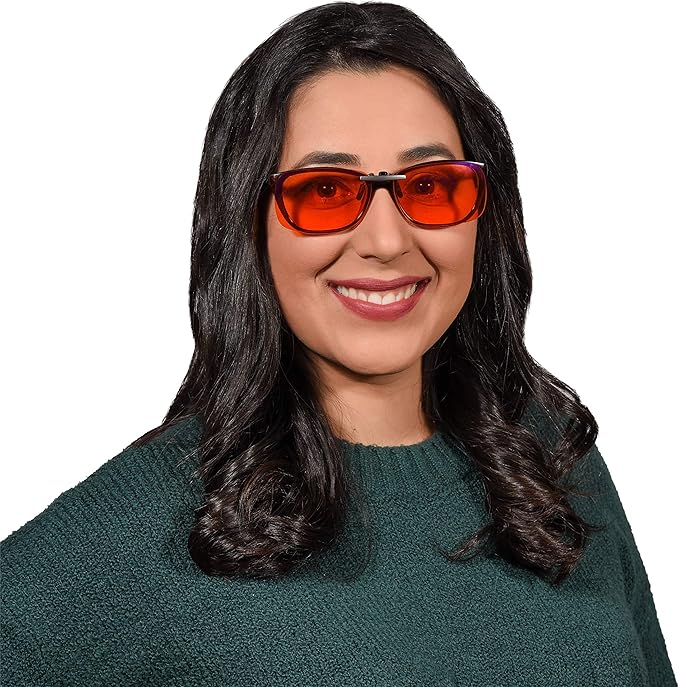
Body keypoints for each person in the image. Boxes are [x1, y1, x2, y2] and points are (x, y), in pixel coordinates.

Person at [1, 2, 675, 685]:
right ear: (247, 222)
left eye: (430, 186)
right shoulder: (154, 516)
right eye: (325, 190)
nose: (386, 240)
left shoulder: (548, 457)